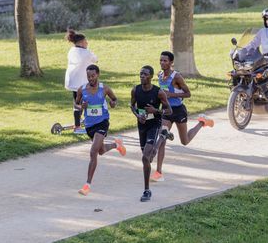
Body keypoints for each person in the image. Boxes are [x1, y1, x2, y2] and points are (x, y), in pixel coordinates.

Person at [150, 51, 214, 182]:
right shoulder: (160, 75)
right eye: (161, 60)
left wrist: (171, 95)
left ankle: (202, 122)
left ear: (171, 62)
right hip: (166, 111)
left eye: (165, 61)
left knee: (185, 141)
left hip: (178, 110)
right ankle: (158, 172)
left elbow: (188, 94)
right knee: (162, 137)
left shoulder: (176, 77)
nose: (162, 63)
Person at [76, 64, 126, 196]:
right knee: (101, 151)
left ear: (98, 75)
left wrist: (113, 103)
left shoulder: (105, 89)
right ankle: (117, 144)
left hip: (102, 123)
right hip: (89, 125)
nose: (90, 78)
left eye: (93, 76)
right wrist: (81, 106)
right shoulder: (82, 89)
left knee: (93, 152)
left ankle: (87, 185)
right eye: (88, 76)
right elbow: (76, 104)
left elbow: (114, 100)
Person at [130, 65, 172, 202]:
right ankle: (163, 137)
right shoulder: (135, 90)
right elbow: (132, 106)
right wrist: (137, 115)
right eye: (141, 73)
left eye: (145, 74)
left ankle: (147, 190)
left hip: (154, 124)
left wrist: (156, 111)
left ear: (151, 76)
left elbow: (169, 111)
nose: (142, 76)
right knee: (149, 156)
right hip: (142, 125)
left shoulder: (158, 93)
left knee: (144, 158)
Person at [64, 29, 98, 134]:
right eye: (86, 41)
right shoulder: (86, 53)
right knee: (80, 103)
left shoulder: (71, 50)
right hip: (80, 82)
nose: (87, 43)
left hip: (72, 80)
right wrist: (89, 51)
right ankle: (77, 127)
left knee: (78, 101)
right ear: (82, 42)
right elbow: (95, 59)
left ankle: (78, 122)